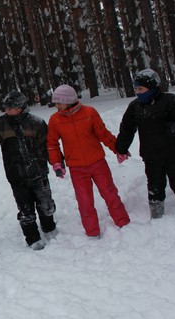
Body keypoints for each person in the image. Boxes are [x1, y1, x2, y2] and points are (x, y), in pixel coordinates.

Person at [47, 85, 130, 237]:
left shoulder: (89, 113)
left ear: (69, 101)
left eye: (59, 103)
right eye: (56, 103)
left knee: (110, 193)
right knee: (85, 201)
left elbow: (103, 134)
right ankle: (92, 232)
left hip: (98, 163)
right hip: (77, 168)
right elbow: (52, 143)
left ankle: (123, 222)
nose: (56, 106)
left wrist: (118, 149)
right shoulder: (55, 120)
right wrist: (57, 163)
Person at [0, 91, 57, 250]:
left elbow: (48, 145)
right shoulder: (0, 125)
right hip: (16, 175)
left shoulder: (37, 123)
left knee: (45, 204)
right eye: (5, 108)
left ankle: (49, 229)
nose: (7, 111)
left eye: (10, 108)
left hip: (39, 171)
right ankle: (32, 237)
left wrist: (56, 162)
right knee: (25, 208)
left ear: (21, 107)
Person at [116, 68, 175, 219]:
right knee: (154, 185)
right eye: (136, 89)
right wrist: (121, 148)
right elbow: (127, 128)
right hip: (152, 155)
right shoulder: (135, 107)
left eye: (141, 88)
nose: (138, 92)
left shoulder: (171, 101)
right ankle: (157, 214)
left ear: (152, 87)